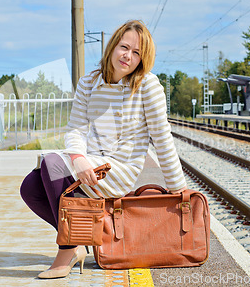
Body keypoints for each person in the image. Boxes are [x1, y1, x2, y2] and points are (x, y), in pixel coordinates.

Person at [20, 19, 187, 279]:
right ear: (112, 45)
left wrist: (178, 186)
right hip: (89, 163)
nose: (128, 56)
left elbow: (162, 137)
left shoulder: (147, 86)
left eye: (136, 53)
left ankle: (67, 249)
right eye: (124, 47)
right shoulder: (89, 83)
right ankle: (81, 236)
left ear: (142, 60)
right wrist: (78, 158)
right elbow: (76, 129)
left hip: (118, 168)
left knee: (51, 164)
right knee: (30, 186)